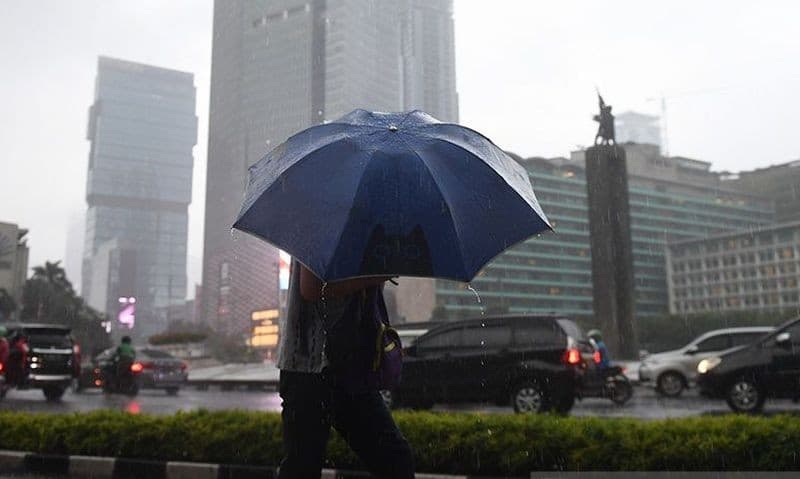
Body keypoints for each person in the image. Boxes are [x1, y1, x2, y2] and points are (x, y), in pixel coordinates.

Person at [276, 260, 414, 478]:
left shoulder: (362, 234)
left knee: (395, 459)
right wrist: (375, 275)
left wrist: (377, 278)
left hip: (349, 367)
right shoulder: (320, 224)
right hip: (307, 367)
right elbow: (311, 288)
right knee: (302, 467)